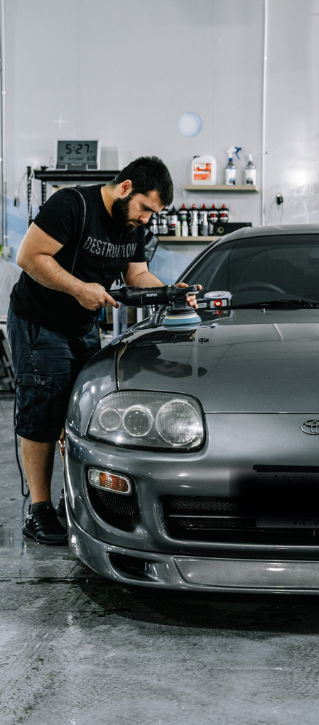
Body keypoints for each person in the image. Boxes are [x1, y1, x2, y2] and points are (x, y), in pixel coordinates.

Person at [8, 156, 199, 545]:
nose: (147, 219)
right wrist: (80, 288)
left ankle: (69, 500)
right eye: (146, 208)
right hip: (40, 321)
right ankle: (39, 510)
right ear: (126, 187)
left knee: (78, 411)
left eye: (153, 213)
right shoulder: (72, 205)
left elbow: (137, 275)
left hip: (81, 327)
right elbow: (29, 258)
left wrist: (170, 293)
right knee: (42, 411)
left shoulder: (132, 228)